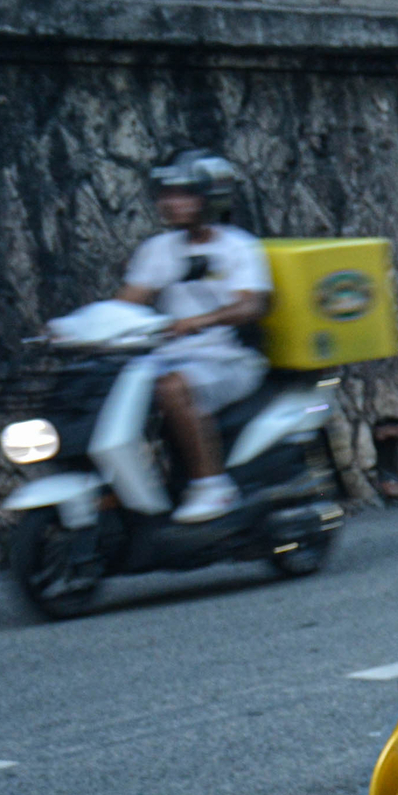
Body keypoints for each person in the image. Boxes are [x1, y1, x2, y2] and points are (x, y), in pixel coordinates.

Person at [116, 150, 274, 523]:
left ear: (211, 197)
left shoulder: (239, 248)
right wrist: (80, 327)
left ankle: (212, 486)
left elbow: (251, 305)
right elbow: (127, 301)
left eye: (183, 194)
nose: (171, 203)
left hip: (228, 359)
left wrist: (199, 321)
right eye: (166, 194)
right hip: (169, 356)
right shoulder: (157, 250)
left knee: (172, 388)